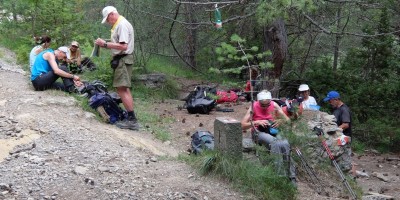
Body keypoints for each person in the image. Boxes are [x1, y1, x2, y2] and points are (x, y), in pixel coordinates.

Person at [94, 6, 138, 130]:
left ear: (112, 14)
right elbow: (119, 42)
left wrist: (105, 44)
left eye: (108, 19)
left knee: (122, 89)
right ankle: (131, 117)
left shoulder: (122, 25)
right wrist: (106, 43)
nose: (108, 22)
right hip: (122, 60)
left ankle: (132, 120)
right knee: (123, 89)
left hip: (123, 60)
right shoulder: (120, 24)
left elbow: (123, 46)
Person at [241, 90, 297, 186]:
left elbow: (287, 120)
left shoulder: (274, 104)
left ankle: (292, 176)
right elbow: (242, 125)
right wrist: (256, 122)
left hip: (272, 130)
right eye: (263, 105)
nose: (265, 107)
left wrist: (280, 121)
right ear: (259, 101)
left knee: (285, 143)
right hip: (258, 131)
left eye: (267, 104)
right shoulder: (253, 106)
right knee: (275, 142)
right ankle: (280, 176)